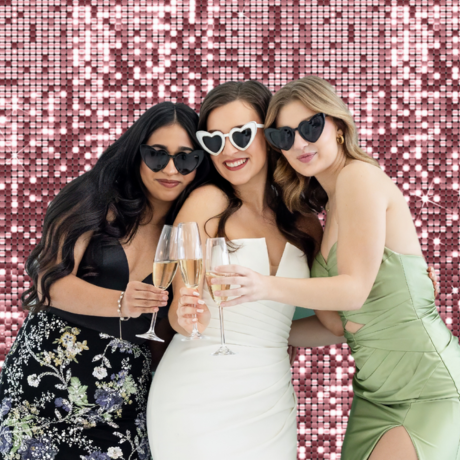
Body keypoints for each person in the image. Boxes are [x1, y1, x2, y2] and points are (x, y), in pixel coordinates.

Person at [210, 76, 460, 460]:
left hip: (426, 386)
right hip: (375, 393)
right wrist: (266, 335)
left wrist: (263, 286)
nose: (300, 143)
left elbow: (353, 290)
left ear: (339, 126)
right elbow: (338, 325)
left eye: (311, 126)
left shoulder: (359, 177)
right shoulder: (326, 209)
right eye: (284, 136)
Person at [0, 102, 209, 460]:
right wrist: (121, 304)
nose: (171, 169)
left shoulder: (191, 229)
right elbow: (49, 283)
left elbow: (167, 332)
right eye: (157, 155)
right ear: (137, 152)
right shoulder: (94, 197)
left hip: (121, 399)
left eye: (186, 158)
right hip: (44, 385)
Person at [146, 80, 343, 460]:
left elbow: (330, 323)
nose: (229, 150)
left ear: (269, 137)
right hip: (197, 395)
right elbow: (178, 309)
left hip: (270, 399)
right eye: (215, 141)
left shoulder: (305, 224)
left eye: (240, 135)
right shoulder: (207, 202)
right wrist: (183, 314)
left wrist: (402, 293)